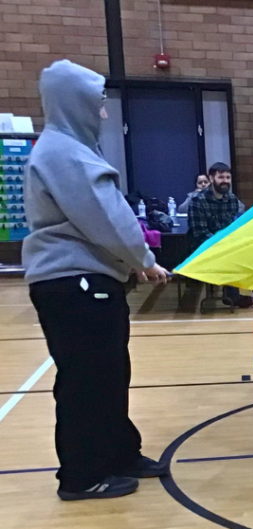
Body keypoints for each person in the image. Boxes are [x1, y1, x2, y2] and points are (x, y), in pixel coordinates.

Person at [23, 60, 170, 501]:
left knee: (110, 374)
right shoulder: (64, 153)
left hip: (89, 282)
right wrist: (143, 259)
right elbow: (107, 217)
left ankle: (120, 454)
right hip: (74, 284)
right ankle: (83, 475)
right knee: (87, 382)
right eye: (99, 104)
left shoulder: (68, 148)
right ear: (75, 104)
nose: (103, 114)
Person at [187, 162, 253, 311]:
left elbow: (234, 227)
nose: (225, 181)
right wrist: (223, 245)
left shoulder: (232, 200)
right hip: (205, 247)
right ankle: (233, 295)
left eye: (228, 177)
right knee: (231, 255)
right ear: (212, 179)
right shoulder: (197, 201)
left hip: (226, 244)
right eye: (221, 177)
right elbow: (199, 233)